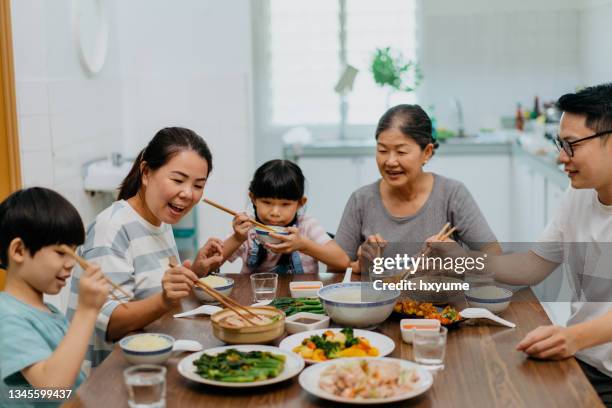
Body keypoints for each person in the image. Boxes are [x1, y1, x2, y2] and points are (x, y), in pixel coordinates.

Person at [429, 83, 612, 407]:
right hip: (581, 358)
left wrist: (573, 337)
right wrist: (462, 259)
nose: (560, 157)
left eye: (571, 145)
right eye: (559, 143)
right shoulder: (579, 194)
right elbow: (531, 266)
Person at [67, 127, 223, 370]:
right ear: (146, 172)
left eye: (198, 185)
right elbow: (112, 323)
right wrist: (164, 299)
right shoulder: (112, 227)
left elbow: (152, 290)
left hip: (149, 359)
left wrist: (198, 272)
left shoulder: (160, 220)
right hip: (107, 377)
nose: (188, 194)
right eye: (178, 180)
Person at [334, 104, 502, 274]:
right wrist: (359, 265)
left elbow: (494, 255)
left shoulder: (452, 194)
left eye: (401, 152)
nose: (390, 161)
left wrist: (460, 258)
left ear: (427, 152)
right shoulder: (361, 200)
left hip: (438, 299)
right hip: (379, 299)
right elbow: (334, 268)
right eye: (382, 150)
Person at [0, 188, 108, 400]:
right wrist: (87, 310)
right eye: (61, 253)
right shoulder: (6, 316)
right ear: (19, 251)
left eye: (74, 252)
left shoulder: (47, 311)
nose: (71, 264)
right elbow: (53, 388)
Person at [219, 159, 349, 274]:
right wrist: (237, 238)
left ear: (300, 203)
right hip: (254, 299)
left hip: (302, 300)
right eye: (267, 202)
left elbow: (343, 262)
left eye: (285, 204)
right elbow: (211, 265)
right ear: (253, 199)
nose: (275, 212)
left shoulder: (307, 225)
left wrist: (304, 245)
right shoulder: (246, 226)